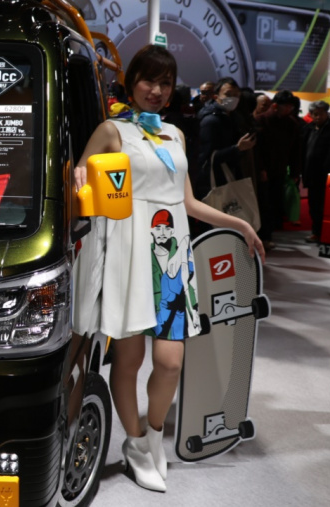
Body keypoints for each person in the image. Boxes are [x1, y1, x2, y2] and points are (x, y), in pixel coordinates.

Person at [73, 45, 264, 492]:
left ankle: (152, 438)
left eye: (165, 82)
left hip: (171, 260)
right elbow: (80, 177)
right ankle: (135, 444)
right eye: (149, 80)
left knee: (170, 362)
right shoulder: (111, 130)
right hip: (128, 254)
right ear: (131, 81)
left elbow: (188, 202)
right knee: (129, 359)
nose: (156, 90)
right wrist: (78, 175)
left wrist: (238, 223)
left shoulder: (175, 135)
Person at [194, 77, 256, 204]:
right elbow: (207, 159)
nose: (233, 98)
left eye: (236, 95)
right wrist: (237, 148)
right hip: (214, 182)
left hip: (231, 176)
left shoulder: (234, 117)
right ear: (216, 96)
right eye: (228, 94)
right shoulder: (210, 121)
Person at [255, 90, 303, 250]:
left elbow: (296, 150)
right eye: (286, 106)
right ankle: (262, 236)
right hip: (261, 171)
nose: (289, 109)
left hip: (279, 170)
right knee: (262, 204)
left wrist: (295, 171)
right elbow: (256, 149)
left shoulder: (292, 124)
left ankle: (267, 236)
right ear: (275, 106)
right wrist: (261, 169)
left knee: (274, 203)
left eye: (291, 107)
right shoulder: (260, 120)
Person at [301, 101, 330, 244]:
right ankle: (316, 232)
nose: (318, 117)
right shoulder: (308, 128)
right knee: (314, 206)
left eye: (321, 113)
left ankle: (325, 234)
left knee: (325, 206)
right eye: (315, 114)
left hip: (327, 175)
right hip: (311, 174)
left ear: (326, 113)